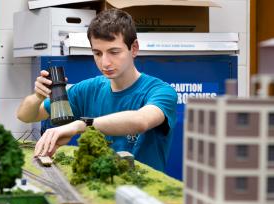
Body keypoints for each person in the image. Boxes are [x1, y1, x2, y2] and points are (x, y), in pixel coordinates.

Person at [17, 9, 177, 171]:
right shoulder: (87, 90)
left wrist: (80, 125)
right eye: (97, 53)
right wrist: (38, 95)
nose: (105, 62)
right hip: (96, 187)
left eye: (114, 52)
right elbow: (26, 115)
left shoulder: (161, 91)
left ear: (134, 48)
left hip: (142, 192)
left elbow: (141, 121)